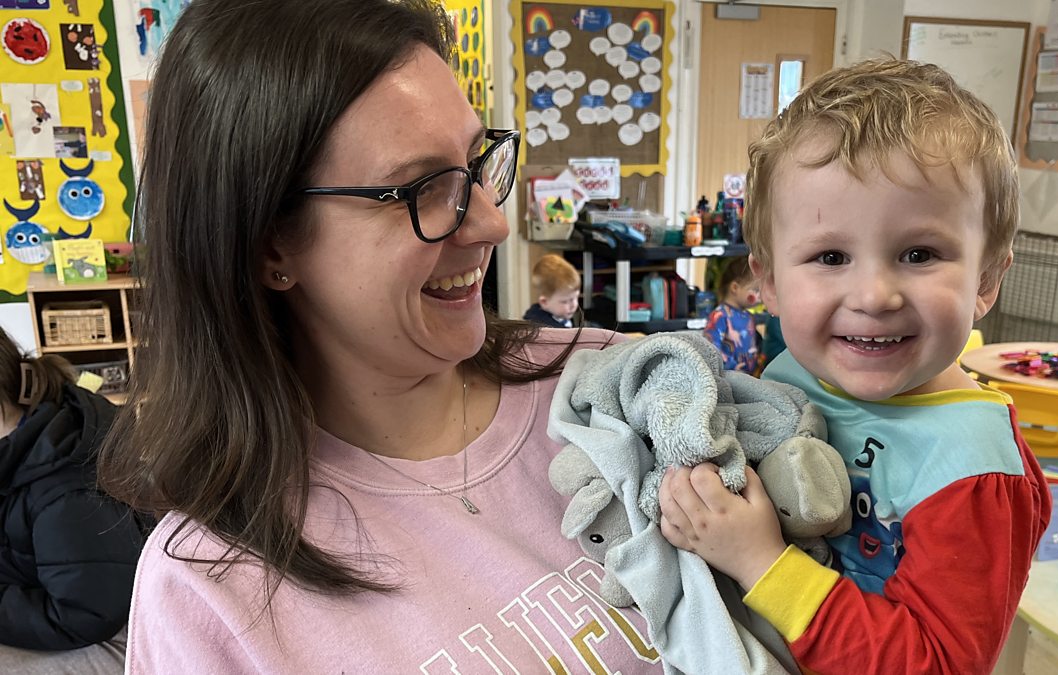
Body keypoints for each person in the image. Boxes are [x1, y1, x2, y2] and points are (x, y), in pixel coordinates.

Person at [96, 1, 665, 671]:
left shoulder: (617, 388)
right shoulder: (209, 591)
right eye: (422, 188)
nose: (490, 223)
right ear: (269, 242)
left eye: (477, 161)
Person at [658, 58, 1052, 674]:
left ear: (986, 279)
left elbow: (937, 666)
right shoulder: (793, 371)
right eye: (830, 255)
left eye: (918, 253)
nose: (874, 296)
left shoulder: (972, 474)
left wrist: (762, 563)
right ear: (769, 283)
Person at [0, 329, 144, 674]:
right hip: (51, 591)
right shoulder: (25, 431)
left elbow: (85, 615)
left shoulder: (66, 491)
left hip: (109, 629)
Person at [702, 256, 763, 374]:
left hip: (750, 377)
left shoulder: (747, 316)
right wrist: (731, 365)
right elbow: (710, 347)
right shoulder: (719, 315)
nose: (759, 296)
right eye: (755, 290)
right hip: (729, 377)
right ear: (735, 287)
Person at [523, 253, 581, 328]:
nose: (573, 305)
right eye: (565, 301)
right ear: (544, 302)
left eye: (575, 298)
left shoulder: (560, 315)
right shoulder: (540, 328)